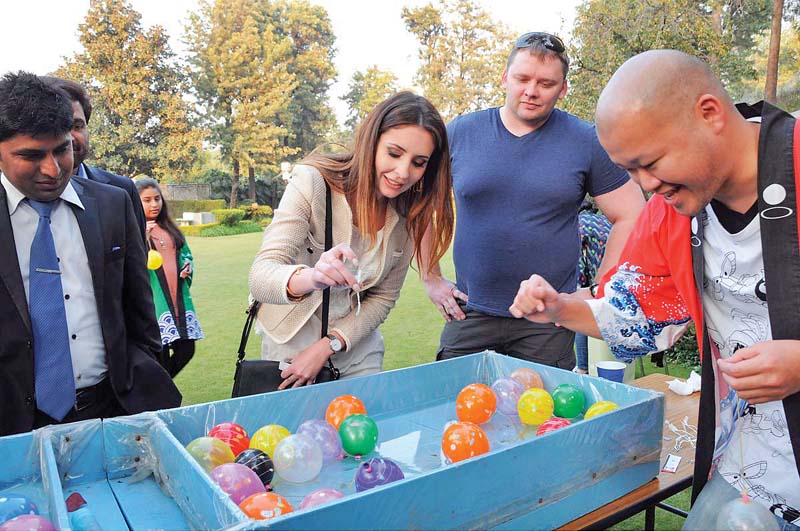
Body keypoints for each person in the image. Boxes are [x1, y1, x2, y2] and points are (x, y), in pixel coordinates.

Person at [509, 50, 800, 530]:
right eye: (630, 171)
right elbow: (638, 311)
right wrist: (561, 308)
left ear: (709, 114)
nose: (646, 186)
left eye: (651, 162)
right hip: (754, 459)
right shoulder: (671, 210)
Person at [422, 31, 645, 369]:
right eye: (522, 78)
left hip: (548, 321)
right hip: (470, 310)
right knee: (455, 413)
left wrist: (599, 289)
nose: (531, 91)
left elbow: (632, 213)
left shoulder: (585, 141)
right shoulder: (462, 133)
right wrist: (430, 277)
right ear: (505, 78)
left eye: (546, 83)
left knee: (549, 419)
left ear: (563, 89)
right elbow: (422, 206)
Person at [0, 72, 180, 436]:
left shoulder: (112, 204)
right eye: (32, 155)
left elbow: (140, 314)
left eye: (61, 149)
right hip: (13, 424)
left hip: (112, 409)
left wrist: (138, 378)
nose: (52, 169)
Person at [249, 91, 454, 389]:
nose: (403, 172)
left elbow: (383, 298)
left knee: (363, 431)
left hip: (356, 347)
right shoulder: (312, 182)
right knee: (299, 434)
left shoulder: (410, 213)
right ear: (371, 142)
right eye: (394, 154)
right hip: (293, 345)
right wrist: (313, 278)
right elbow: (261, 276)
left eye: (418, 162)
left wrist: (329, 345)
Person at [42, 76, 147, 239]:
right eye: (60, 127)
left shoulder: (122, 191)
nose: (70, 138)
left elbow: (136, 261)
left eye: (77, 126)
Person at [136, 177, 204, 378]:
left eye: (157, 199)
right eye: (147, 200)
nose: (154, 204)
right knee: (161, 355)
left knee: (186, 350)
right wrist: (142, 238)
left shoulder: (169, 228)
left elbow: (186, 254)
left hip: (178, 301)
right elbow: (129, 265)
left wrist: (187, 265)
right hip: (154, 305)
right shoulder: (132, 229)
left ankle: (160, 389)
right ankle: (162, 394)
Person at [573, 199, 611, 374]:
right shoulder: (605, 220)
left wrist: (579, 288)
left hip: (595, 279)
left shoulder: (579, 224)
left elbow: (580, 261)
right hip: (613, 277)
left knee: (580, 316)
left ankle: (583, 367)